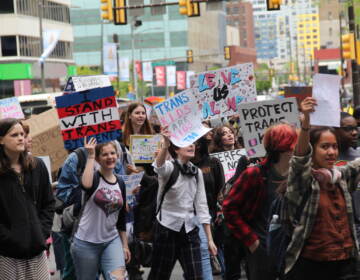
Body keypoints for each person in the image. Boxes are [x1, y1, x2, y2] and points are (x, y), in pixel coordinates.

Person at [284, 97, 359, 280]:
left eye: (334, 146)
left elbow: (356, 164)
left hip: (346, 264)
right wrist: (306, 122)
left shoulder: (339, 177)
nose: (331, 152)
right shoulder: (303, 181)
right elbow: (300, 158)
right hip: (313, 266)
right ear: (313, 149)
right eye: (325, 147)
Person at [223, 123, 298, 280]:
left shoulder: (299, 174)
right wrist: (252, 241)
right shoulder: (254, 174)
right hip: (263, 249)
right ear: (285, 148)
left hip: (292, 249)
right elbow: (229, 208)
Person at [148, 127, 217, 280]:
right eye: (187, 143)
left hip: (190, 230)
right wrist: (165, 145)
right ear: (177, 150)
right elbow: (158, 167)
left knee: (196, 276)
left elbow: (202, 206)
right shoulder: (169, 167)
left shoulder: (197, 172)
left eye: (193, 143)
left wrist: (210, 240)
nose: (192, 145)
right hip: (166, 228)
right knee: (159, 275)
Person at [0, 118, 55, 280]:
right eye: (14, 135)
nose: (20, 138)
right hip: (7, 254)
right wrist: (9, 239)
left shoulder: (37, 166)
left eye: (22, 134)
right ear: (1, 139)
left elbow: (49, 203)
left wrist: (41, 232)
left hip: (36, 251)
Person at [71, 138, 130, 280]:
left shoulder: (121, 182)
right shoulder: (94, 178)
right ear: (98, 158)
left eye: (112, 153)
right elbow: (85, 185)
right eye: (105, 154)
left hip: (111, 240)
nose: (110, 157)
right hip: (86, 243)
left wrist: (125, 245)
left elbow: (121, 218)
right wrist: (90, 156)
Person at [192, 136, 225, 279]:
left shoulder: (213, 162)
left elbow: (221, 189)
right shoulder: (182, 165)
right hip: (191, 215)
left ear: (199, 144)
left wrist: (218, 211)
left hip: (211, 212)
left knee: (218, 248)